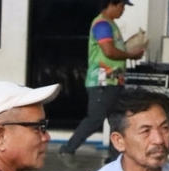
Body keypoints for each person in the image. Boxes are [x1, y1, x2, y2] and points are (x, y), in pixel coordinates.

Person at [62, 0, 146, 157]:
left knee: (117, 120)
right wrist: (130, 55)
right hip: (103, 81)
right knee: (95, 119)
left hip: (114, 81)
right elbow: (109, 51)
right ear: (111, 4)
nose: (123, 10)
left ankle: (114, 158)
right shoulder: (102, 25)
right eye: (121, 6)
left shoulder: (111, 25)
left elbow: (115, 49)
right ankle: (67, 149)